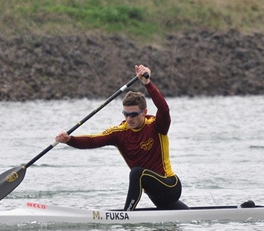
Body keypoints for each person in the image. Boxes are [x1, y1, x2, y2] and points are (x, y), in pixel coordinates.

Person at [55, 65, 188, 211]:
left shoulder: (157, 126)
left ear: (144, 112)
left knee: (137, 172)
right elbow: (92, 140)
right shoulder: (119, 133)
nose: (129, 119)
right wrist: (69, 140)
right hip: (154, 194)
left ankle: (127, 214)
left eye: (133, 114)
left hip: (170, 186)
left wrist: (147, 84)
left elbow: (164, 109)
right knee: (184, 214)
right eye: (125, 114)